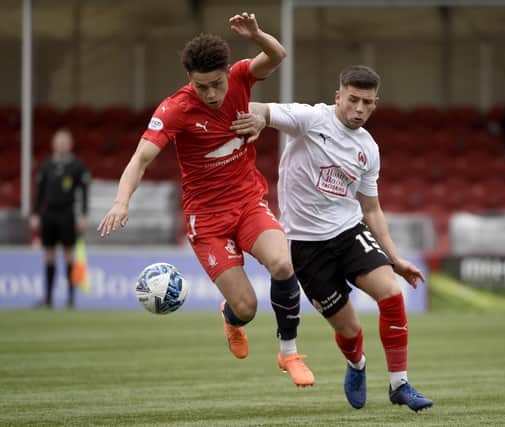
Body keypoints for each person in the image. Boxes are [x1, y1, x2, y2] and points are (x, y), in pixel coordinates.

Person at [96, 13, 314, 387]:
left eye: (216, 84)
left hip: (247, 201)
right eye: (202, 87)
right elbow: (141, 159)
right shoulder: (175, 109)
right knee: (246, 307)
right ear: (189, 81)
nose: (211, 94)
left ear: (229, 72)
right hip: (207, 219)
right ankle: (231, 319)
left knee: (282, 262)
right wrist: (121, 201)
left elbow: (277, 55)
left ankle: (289, 352)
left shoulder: (244, 76)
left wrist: (258, 34)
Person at [232, 65, 433, 411]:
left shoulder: (369, 149)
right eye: (352, 99)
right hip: (306, 247)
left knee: (391, 292)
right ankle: (357, 365)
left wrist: (396, 258)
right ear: (338, 96)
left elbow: (372, 210)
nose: (358, 109)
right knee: (351, 330)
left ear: (375, 105)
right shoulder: (310, 119)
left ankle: (399, 384)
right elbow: (259, 109)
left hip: (349, 233)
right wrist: (256, 120)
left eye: (366, 103)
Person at [31, 128, 91, 309]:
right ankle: (48, 299)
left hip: (67, 214)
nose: (62, 144)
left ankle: (71, 299)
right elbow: (39, 192)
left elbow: (85, 192)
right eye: (59, 141)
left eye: (65, 141)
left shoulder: (77, 166)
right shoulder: (47, 165)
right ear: (53, 143)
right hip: (49, 214)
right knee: (48, 255)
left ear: (70, 144)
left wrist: (83, 214)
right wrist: (35, 213)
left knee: (69, 255)